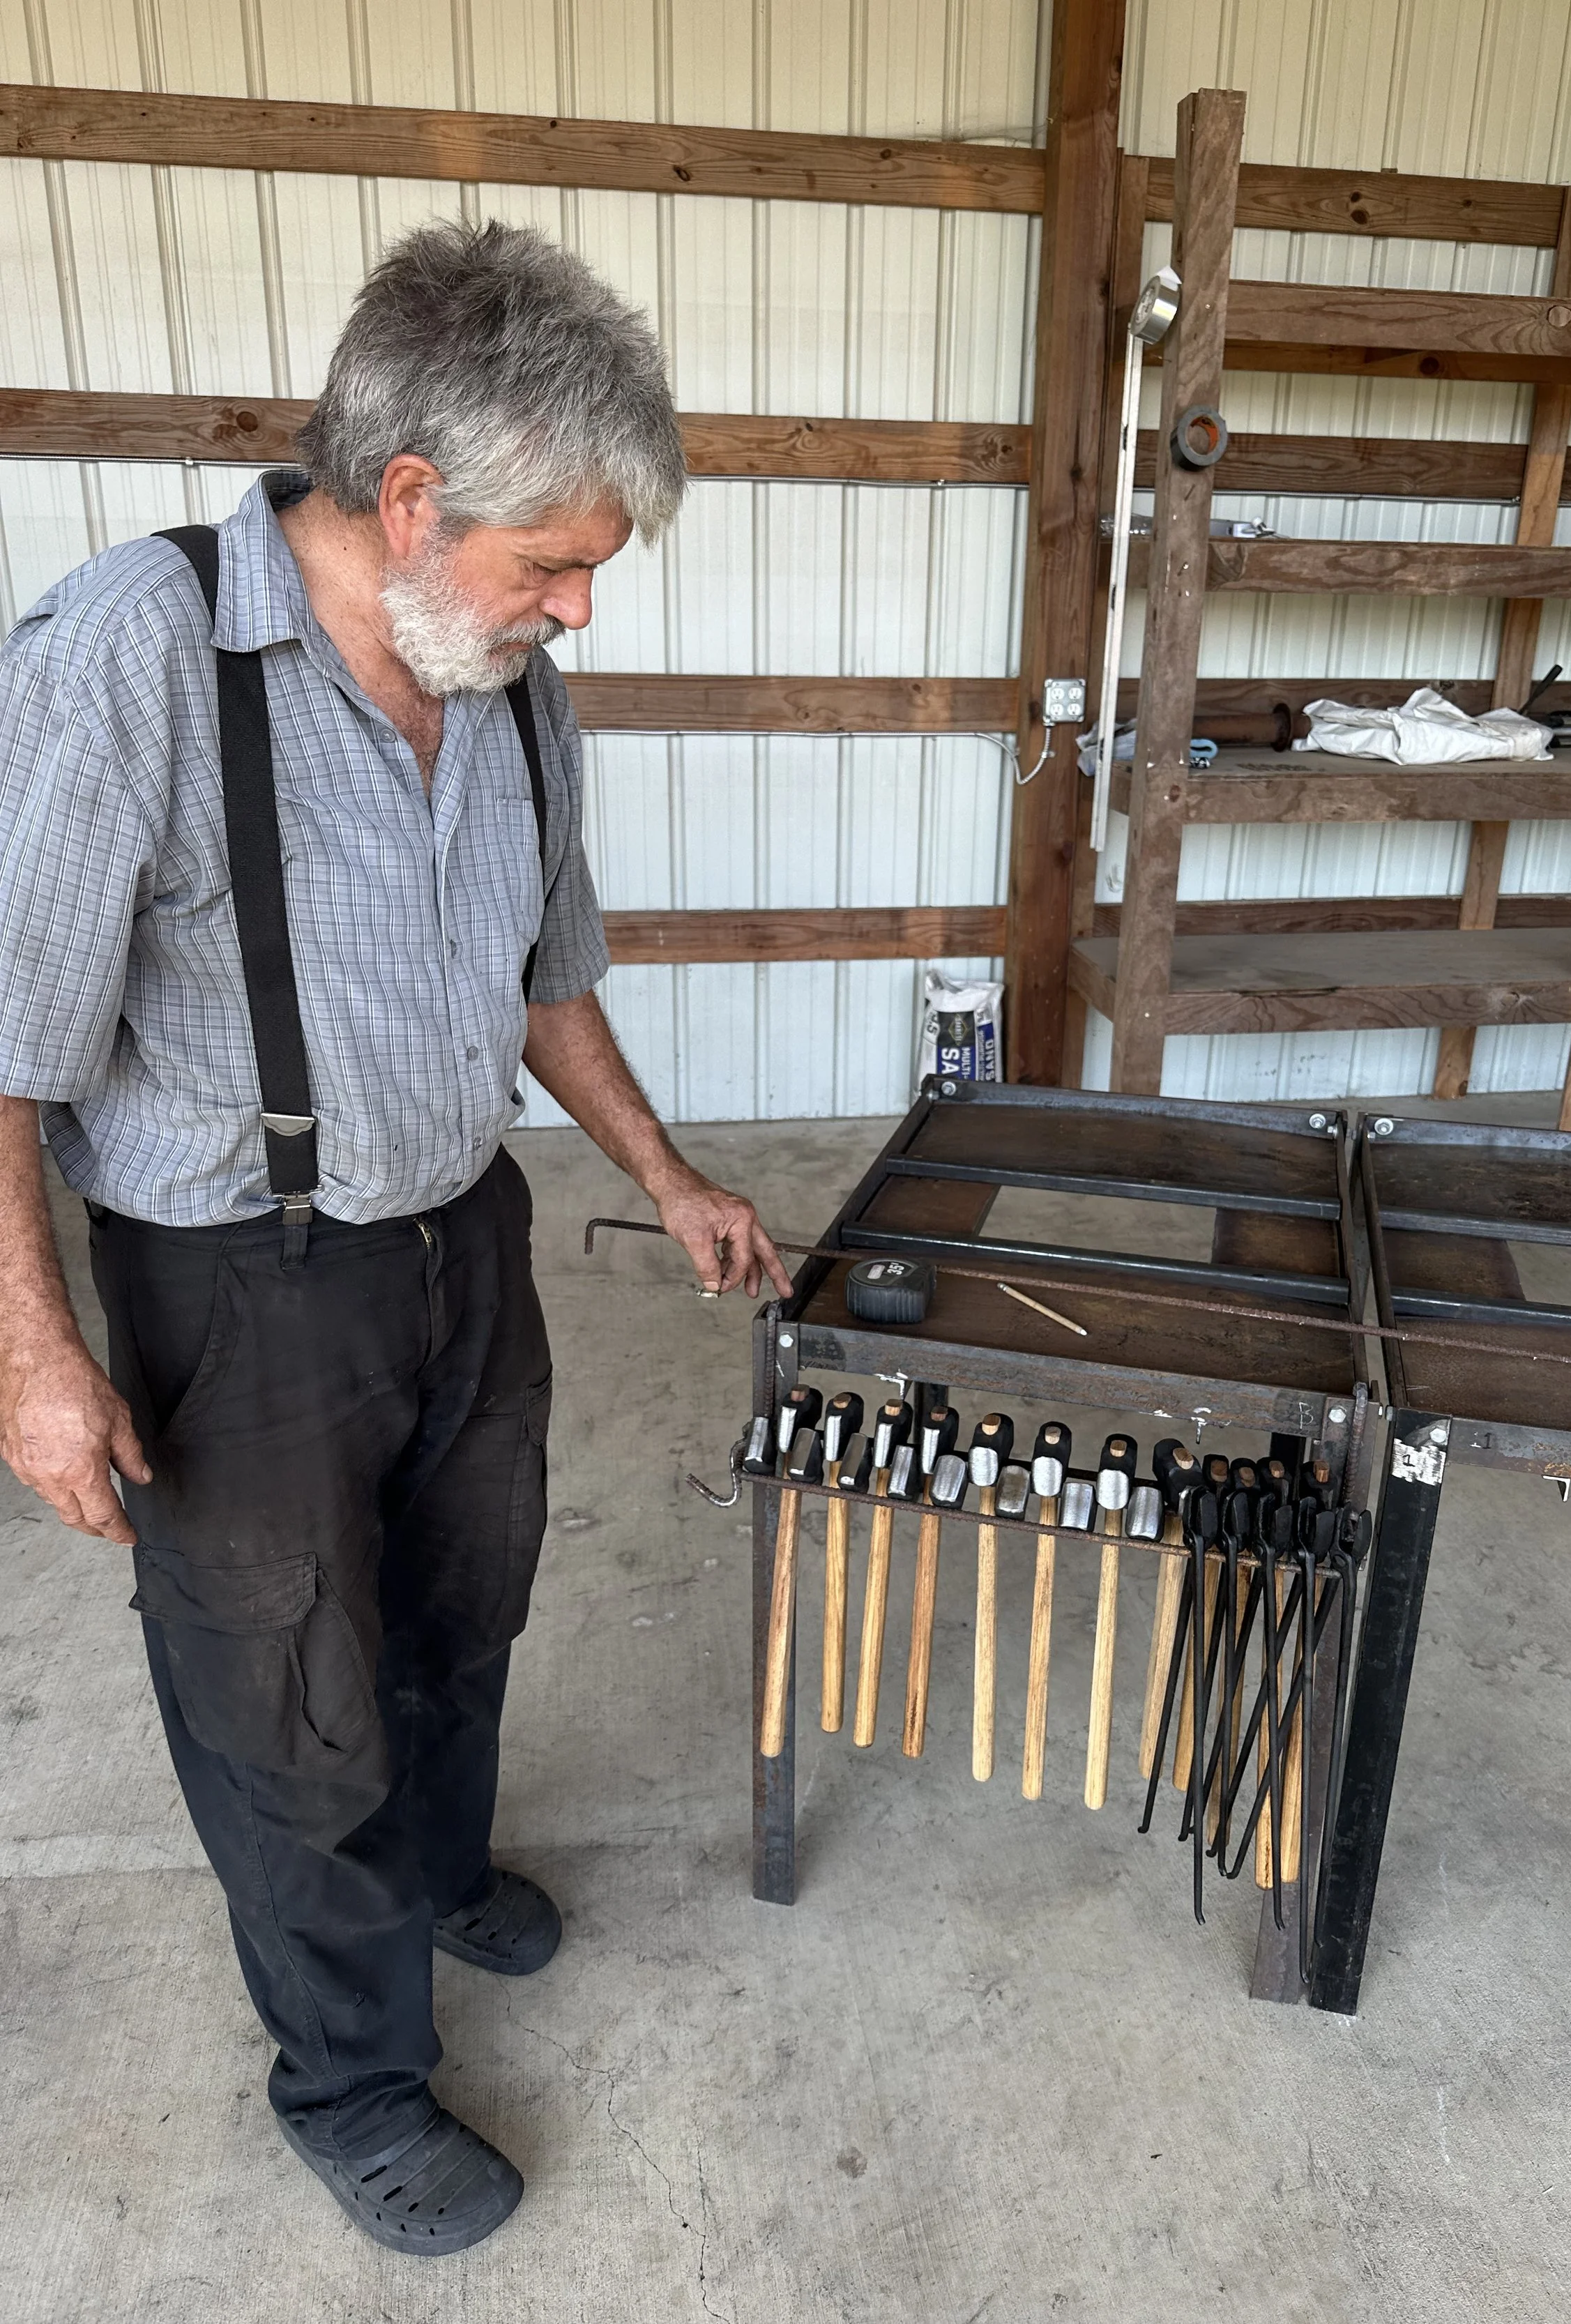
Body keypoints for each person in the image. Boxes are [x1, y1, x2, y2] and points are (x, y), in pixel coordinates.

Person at [0, 219, 791, 2257]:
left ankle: (438, 1873)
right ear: (411, 499)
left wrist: (668, 1172)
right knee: (288, 1698)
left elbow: (549, 978)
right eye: (552, 561)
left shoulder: (505, 682)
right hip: (229, 1286)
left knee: (459, 1609)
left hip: (461, 1238)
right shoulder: (137, 653)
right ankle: (349, 2076)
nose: (579, 603)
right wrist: (34, 1351)